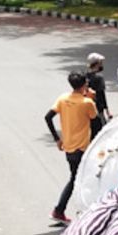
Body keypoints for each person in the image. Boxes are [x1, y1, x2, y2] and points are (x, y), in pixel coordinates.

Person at [44, 72, 98, 224]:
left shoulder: (63, 99)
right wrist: (92, 99)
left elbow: (48, 117)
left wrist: (57, 138)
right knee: (83, 180)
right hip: (83, 149)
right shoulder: (87, 103)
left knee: (76, 179)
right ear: (83, 85)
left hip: (69, 148)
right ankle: (62, 210)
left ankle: (60, 210)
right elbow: (97, 124)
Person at [85, 52, 111, 137]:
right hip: (97, 109)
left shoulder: (85, 76)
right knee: (102, 133)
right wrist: (107, 111)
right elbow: (102, 95)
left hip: (86, 108)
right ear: (97, 64)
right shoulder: (99, 77)